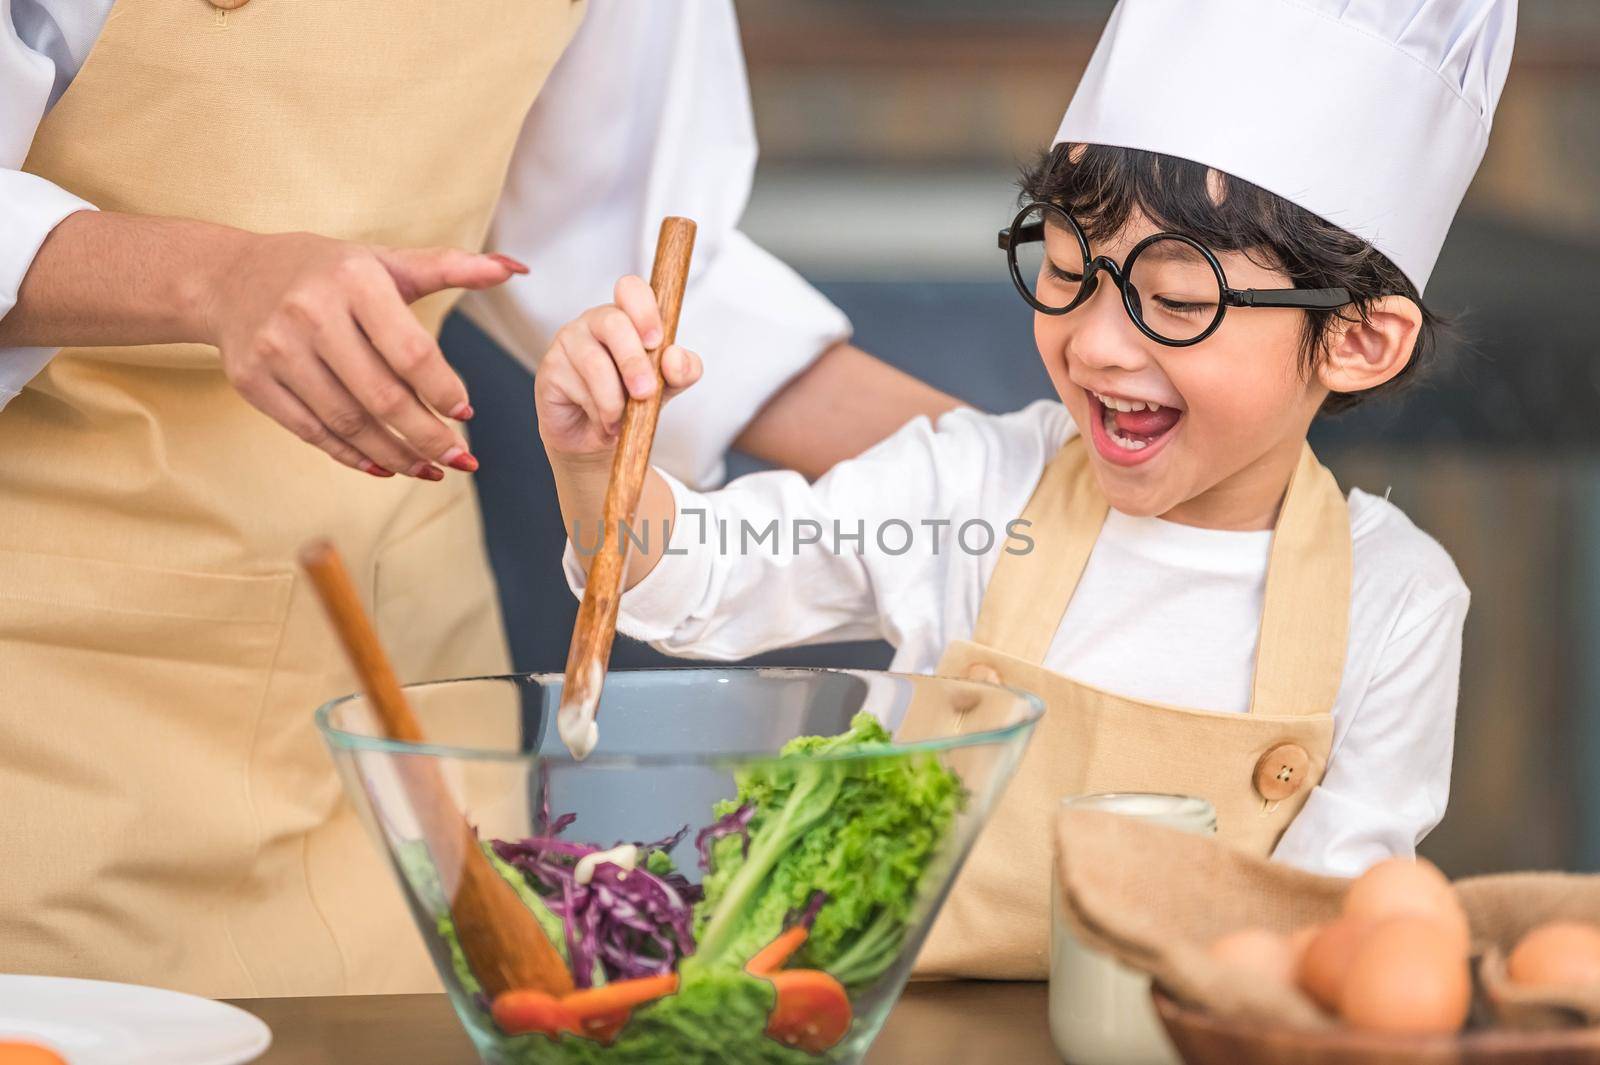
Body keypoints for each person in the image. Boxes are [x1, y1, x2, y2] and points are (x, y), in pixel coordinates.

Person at [539, 0, 1514, 981]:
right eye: (1064, 269)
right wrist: (595, 461)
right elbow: (706, 577)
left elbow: (1337, 927)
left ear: (1356, 341)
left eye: (1176, 301)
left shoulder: (1393, 600)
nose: (1092, 343)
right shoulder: (974, 485)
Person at [0, 1, 954, 998]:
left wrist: (1049, 476)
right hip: (58, 691)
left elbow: (633, 275)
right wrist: (214, 277)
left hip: (404, 694)